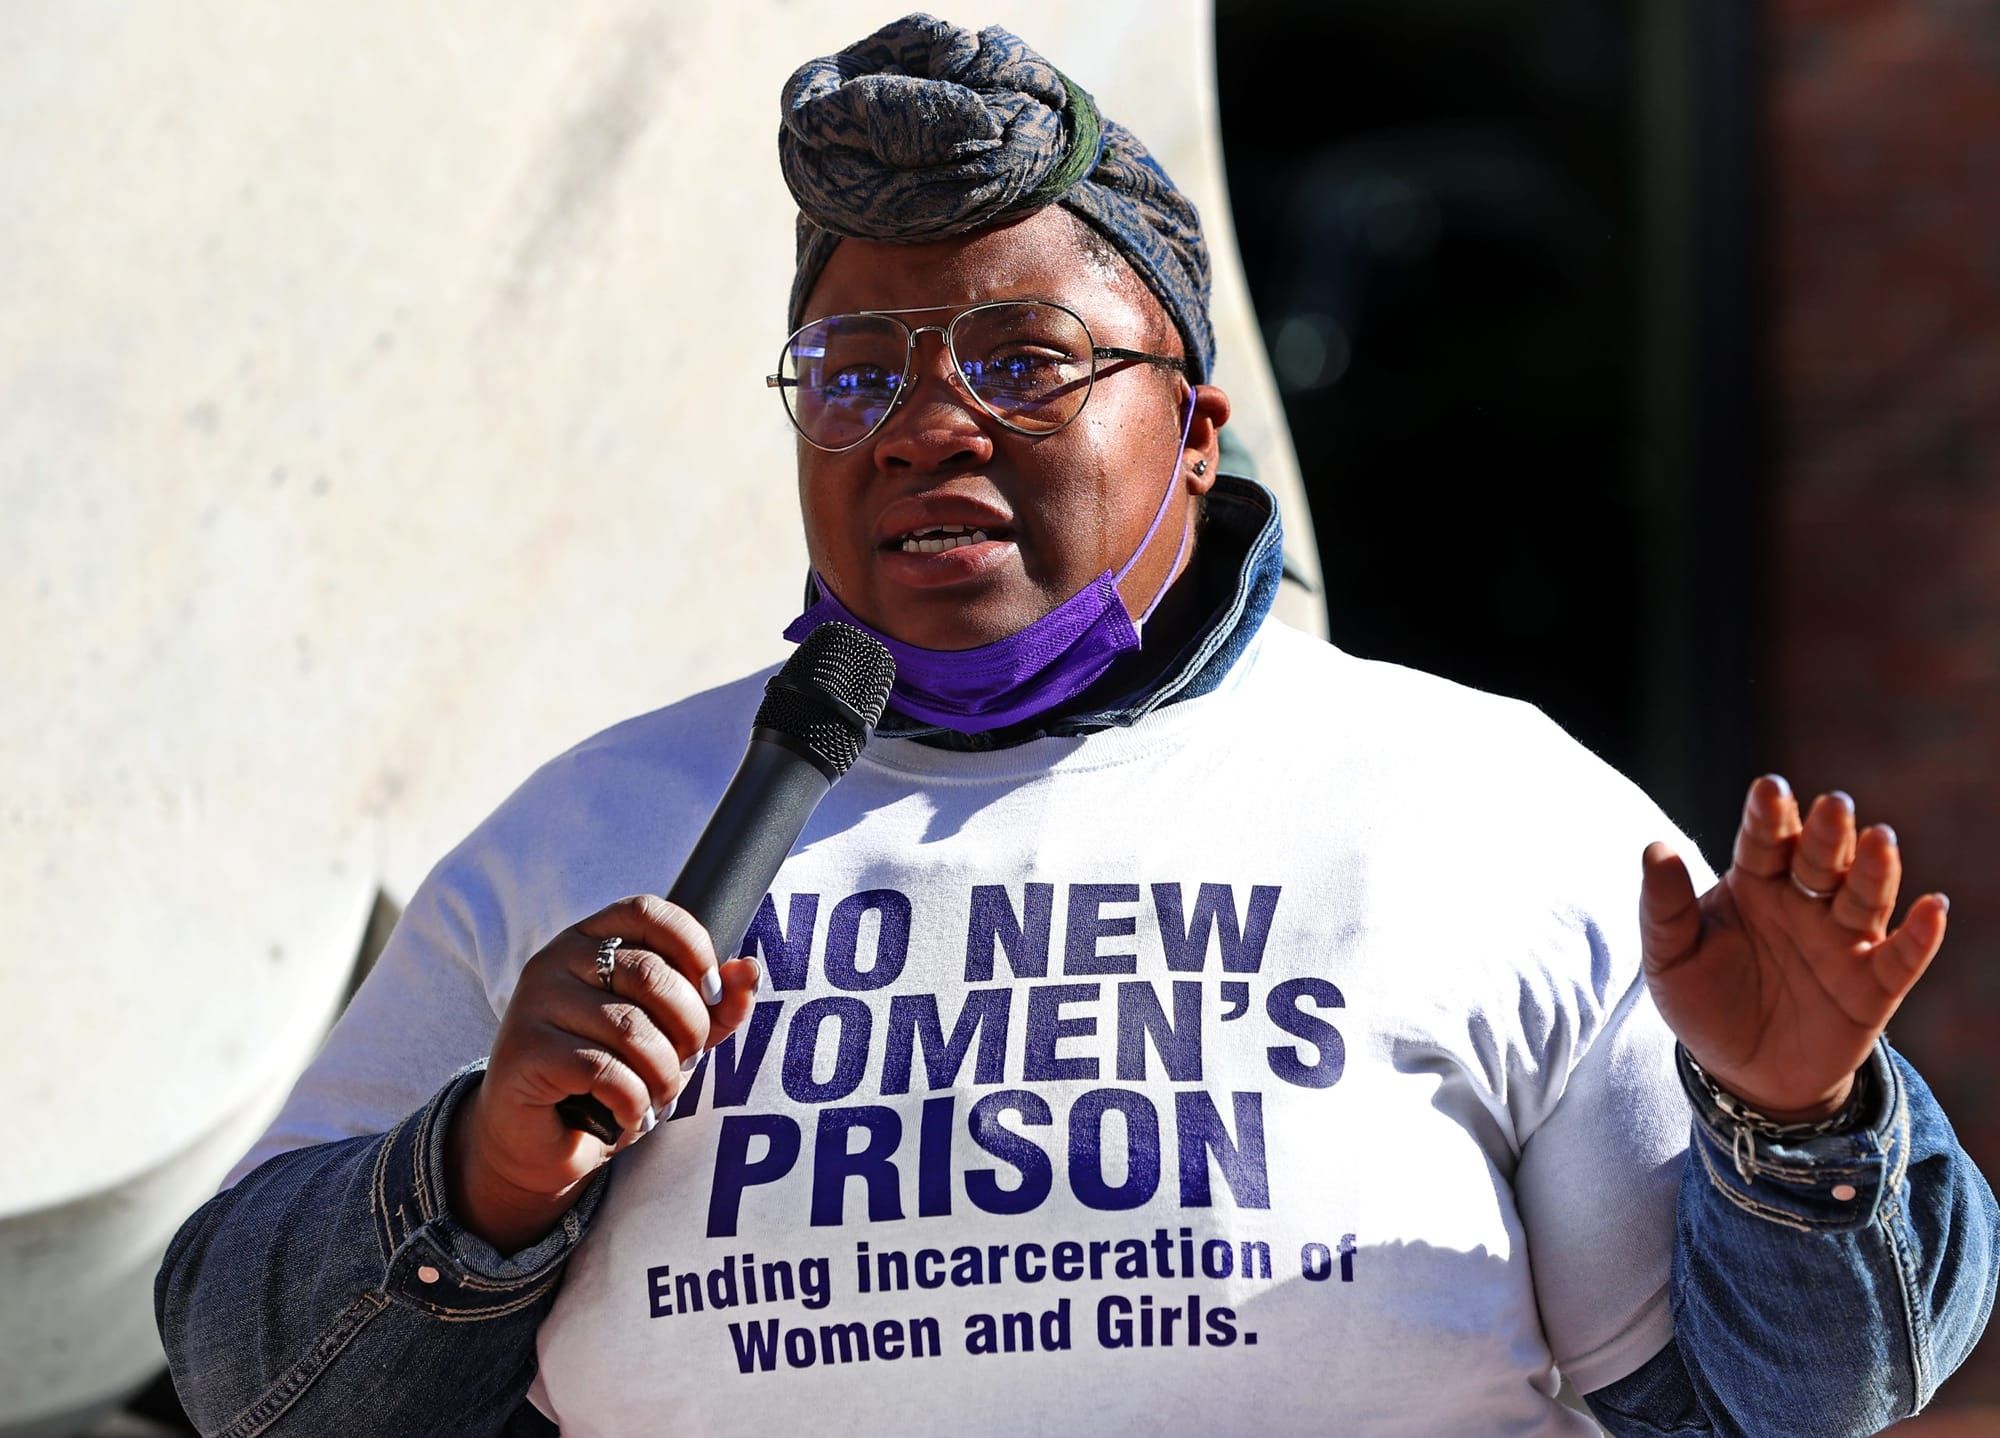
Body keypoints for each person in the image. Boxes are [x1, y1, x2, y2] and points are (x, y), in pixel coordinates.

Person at [156, 14, 1996, 1436]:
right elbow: (263, 1379)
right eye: (853, 373)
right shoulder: (599, 830)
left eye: (1022, 361)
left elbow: (1782, 1405)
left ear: (1194, 423)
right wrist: (477, 1174)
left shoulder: (1472, 805)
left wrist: (1795, 1123)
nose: (924, 424)